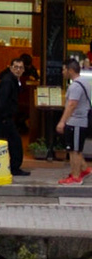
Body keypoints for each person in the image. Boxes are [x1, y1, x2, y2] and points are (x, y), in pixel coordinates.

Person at [0, 56, 32, 177]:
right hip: (3, 118)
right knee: (14, 142)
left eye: (20, 68)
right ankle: (12, 167)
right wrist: (4, 117)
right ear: (11, 68)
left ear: (23, 70)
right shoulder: (8, 81)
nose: (18, 70)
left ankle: (1, 166)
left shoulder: (14, 80)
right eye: (16, 67)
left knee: (3, 142)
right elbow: (2, 101)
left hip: (4, 117)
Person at [57, 56, 90, 185]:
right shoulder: (84, 82)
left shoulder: (75, 86)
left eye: (64, 69)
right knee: (74, 149)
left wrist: (62, 121)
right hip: (79, 121)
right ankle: (84, 169)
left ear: (71, 70)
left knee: (74, 151)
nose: (62, 72)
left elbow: (72, 105)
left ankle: (76, 177)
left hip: (76, 122)